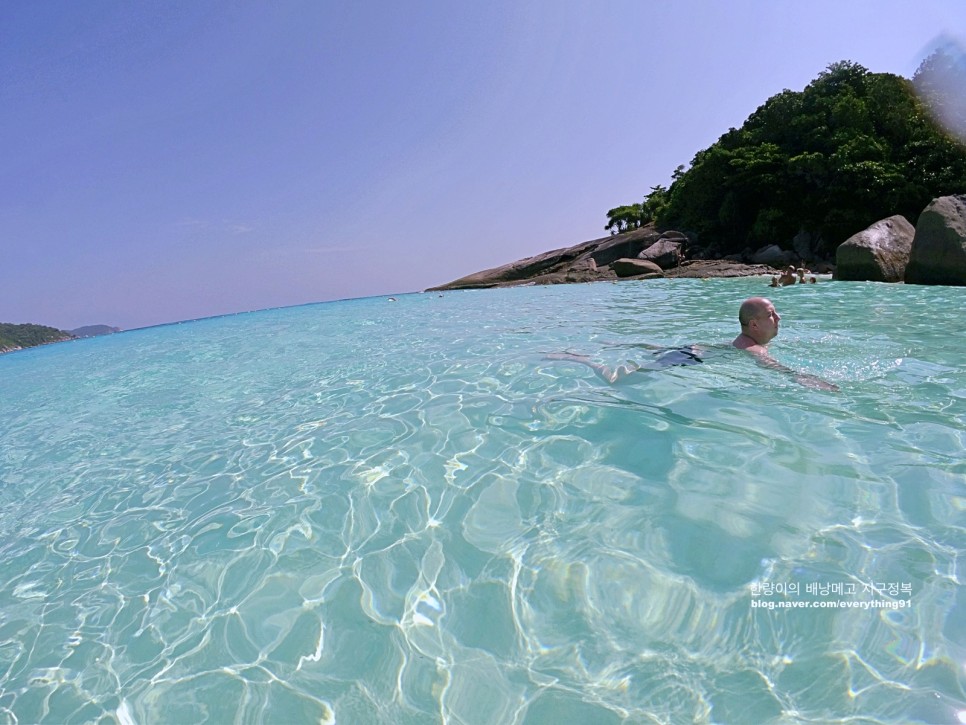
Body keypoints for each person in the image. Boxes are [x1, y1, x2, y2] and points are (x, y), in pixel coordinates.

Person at [733, 296, 838, 391]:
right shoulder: (755, 350)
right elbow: (780, 370)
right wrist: (818, 383)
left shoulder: (740, 344)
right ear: (754, 325)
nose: (778, 317)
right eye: (770, 315)